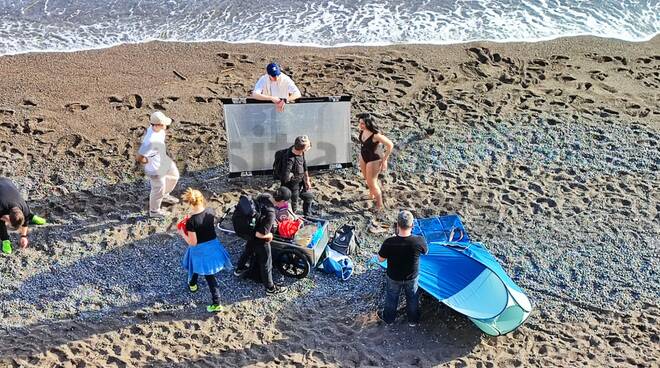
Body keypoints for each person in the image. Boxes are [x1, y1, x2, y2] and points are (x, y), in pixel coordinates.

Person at [178, 188, 232, 313]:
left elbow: (193, 242)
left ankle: (216, 302)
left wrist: (182, 233)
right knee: (203, 270)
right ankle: (193, 284)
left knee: (205, 273)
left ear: (190, 203)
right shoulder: (210, 211)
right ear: (202, 199)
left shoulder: (191, 222)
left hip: (200, 250)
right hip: (213, 245)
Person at [377, 210, 428, 326]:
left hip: (394, 277)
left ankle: (389, 320)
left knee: (391, 298)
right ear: (412, 226)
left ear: (397, 225)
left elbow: (380, 259)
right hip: (412, 277)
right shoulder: (419, 241)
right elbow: (426, 251)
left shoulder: (389, 242)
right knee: (412, 298)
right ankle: (413, 321)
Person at [234, 192, 287, 295]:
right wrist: (270, 235)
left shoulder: (264, 196)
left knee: (248, 250)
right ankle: (270, 289)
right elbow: (260, 234)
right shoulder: (271, 212)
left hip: (249, 232)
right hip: (259, 239)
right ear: (281, 201)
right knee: (266, 263)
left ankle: (239, 270)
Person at [136, 111, 180, 218]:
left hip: (163, 159)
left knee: (174, 176)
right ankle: (154, 211)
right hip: (155, 168)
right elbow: (139, 157)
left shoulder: (159, 131)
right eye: (163, 124)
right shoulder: (150, 141)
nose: (166, 125)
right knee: (158, 188)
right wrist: (148, 163)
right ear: (156, 125)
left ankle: (164, 195)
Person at [357, 113, 394, 211]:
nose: (360, 125)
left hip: (374, 159)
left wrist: (384, 160)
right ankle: (371, 195)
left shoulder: (376, 135)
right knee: (367, 179)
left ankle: (379, 205)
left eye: (363, 124)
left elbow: (390, 145)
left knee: (372, 182)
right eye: (360, 123)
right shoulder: (362, 130)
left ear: (369, 123)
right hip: (363, 156)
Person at [0, 177, 47, 254]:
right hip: (3, 189)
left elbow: (25, 220)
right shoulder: (1, 208)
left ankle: (32, 217)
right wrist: (2, 218)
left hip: (7, 182)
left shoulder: (24, 208)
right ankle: (5, 241)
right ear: (8, 217)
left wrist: (23, 236)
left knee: (27, 214)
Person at [279, 135, 314, 216]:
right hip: (293, 185)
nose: (310, 147)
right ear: (302, 149)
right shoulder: (289, 160)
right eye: (308, 146)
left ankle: (307, 214)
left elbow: (304, 164)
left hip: (302, 180)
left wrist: (307, 180)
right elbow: (285, 178)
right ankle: (293, 216)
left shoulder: (300, 151)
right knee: (294, 204)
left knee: (309, 196)